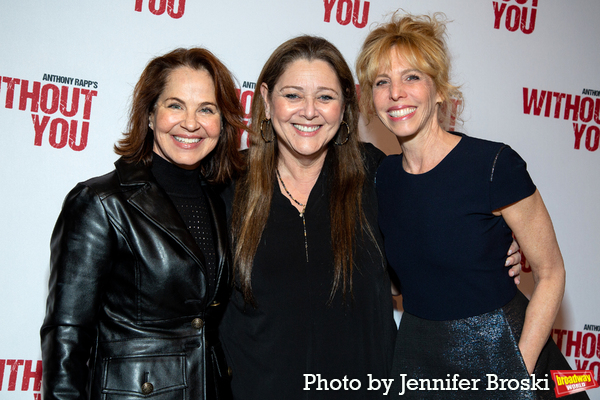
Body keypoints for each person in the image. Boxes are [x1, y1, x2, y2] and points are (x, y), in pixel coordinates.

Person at [219, 36, 522, 400]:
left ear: (346, 105)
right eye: (293, 95)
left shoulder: (378, 175)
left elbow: (435, 240)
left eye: (326, 97)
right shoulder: (228, 186)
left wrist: (489, 250)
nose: (309, 111)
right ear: (266, 100)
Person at [356, 12, 587, 399]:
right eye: (382, 82)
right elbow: (405, 276)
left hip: (505, 350)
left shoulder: (494, 165)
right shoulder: (384, 177)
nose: (396, 92)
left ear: (439, 89)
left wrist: (516, 374)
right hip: (419, 357)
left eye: (412, 76)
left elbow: (551, 273)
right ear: (371, 97)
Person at [40, 48, 245, 400]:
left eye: (206, 109)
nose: (191, 123)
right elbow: (67, 335)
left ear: (223, 122)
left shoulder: (222, 200)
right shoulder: (101, 202)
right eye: (175, 105)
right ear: (150, 115)